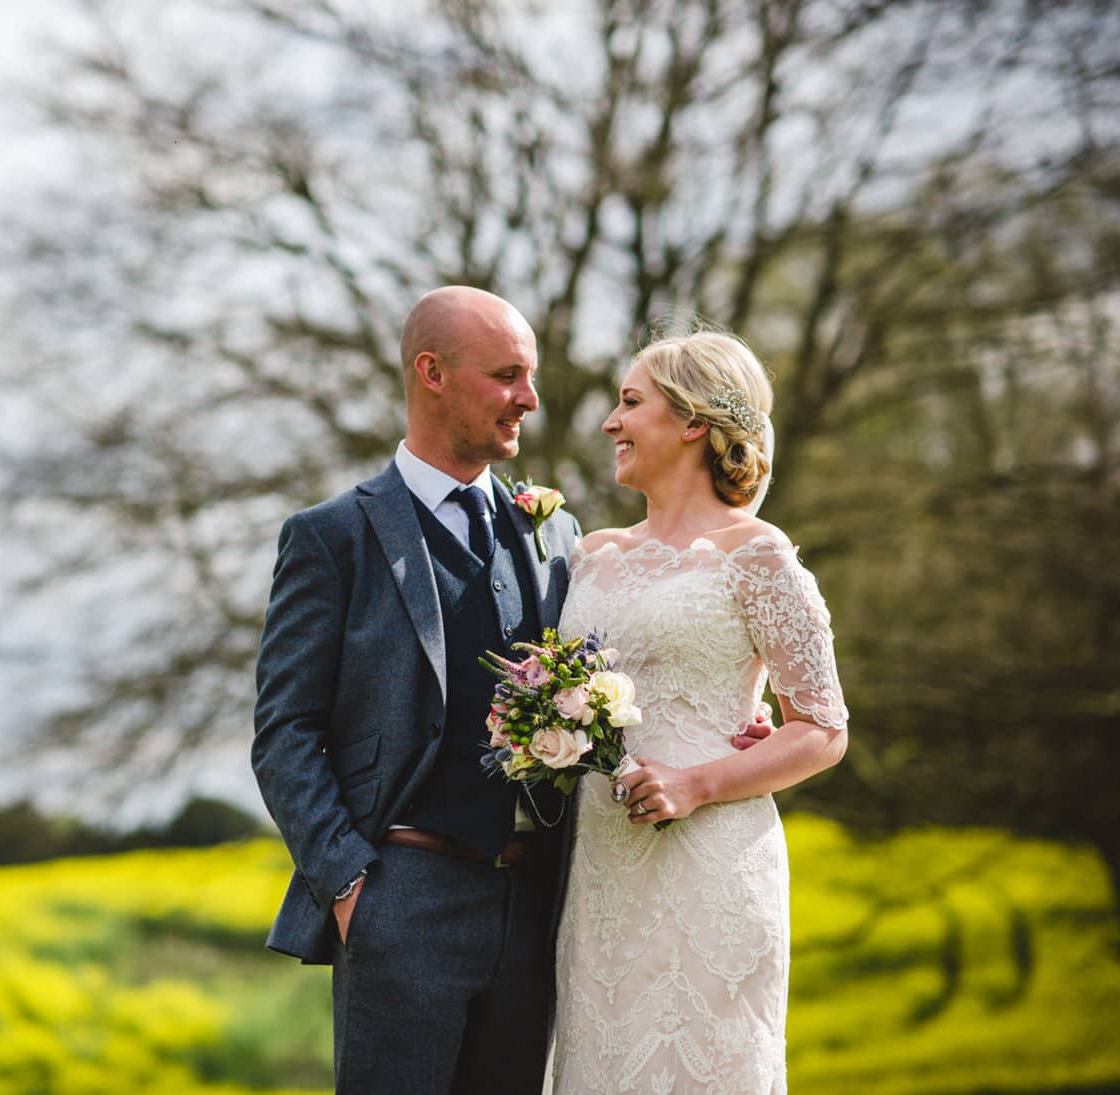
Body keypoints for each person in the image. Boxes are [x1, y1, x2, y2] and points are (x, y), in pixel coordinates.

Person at [251, 289, 770, 1095]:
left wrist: (738, 709)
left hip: (542, 903)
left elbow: (625, 669)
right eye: (507, 375)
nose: (531, 398)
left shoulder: (556, 533)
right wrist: (352, 886)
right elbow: (284, 732)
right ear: (432, 373)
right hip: (402, 897)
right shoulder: (332, 536)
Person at [548, 330, 849, 1094]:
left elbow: (823, 729)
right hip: (599, 863)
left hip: (707, 855)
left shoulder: (757, 554)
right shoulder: (591, 554)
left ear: (691, 422)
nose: (611, 423)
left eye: (629, 402)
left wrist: (699, 782)